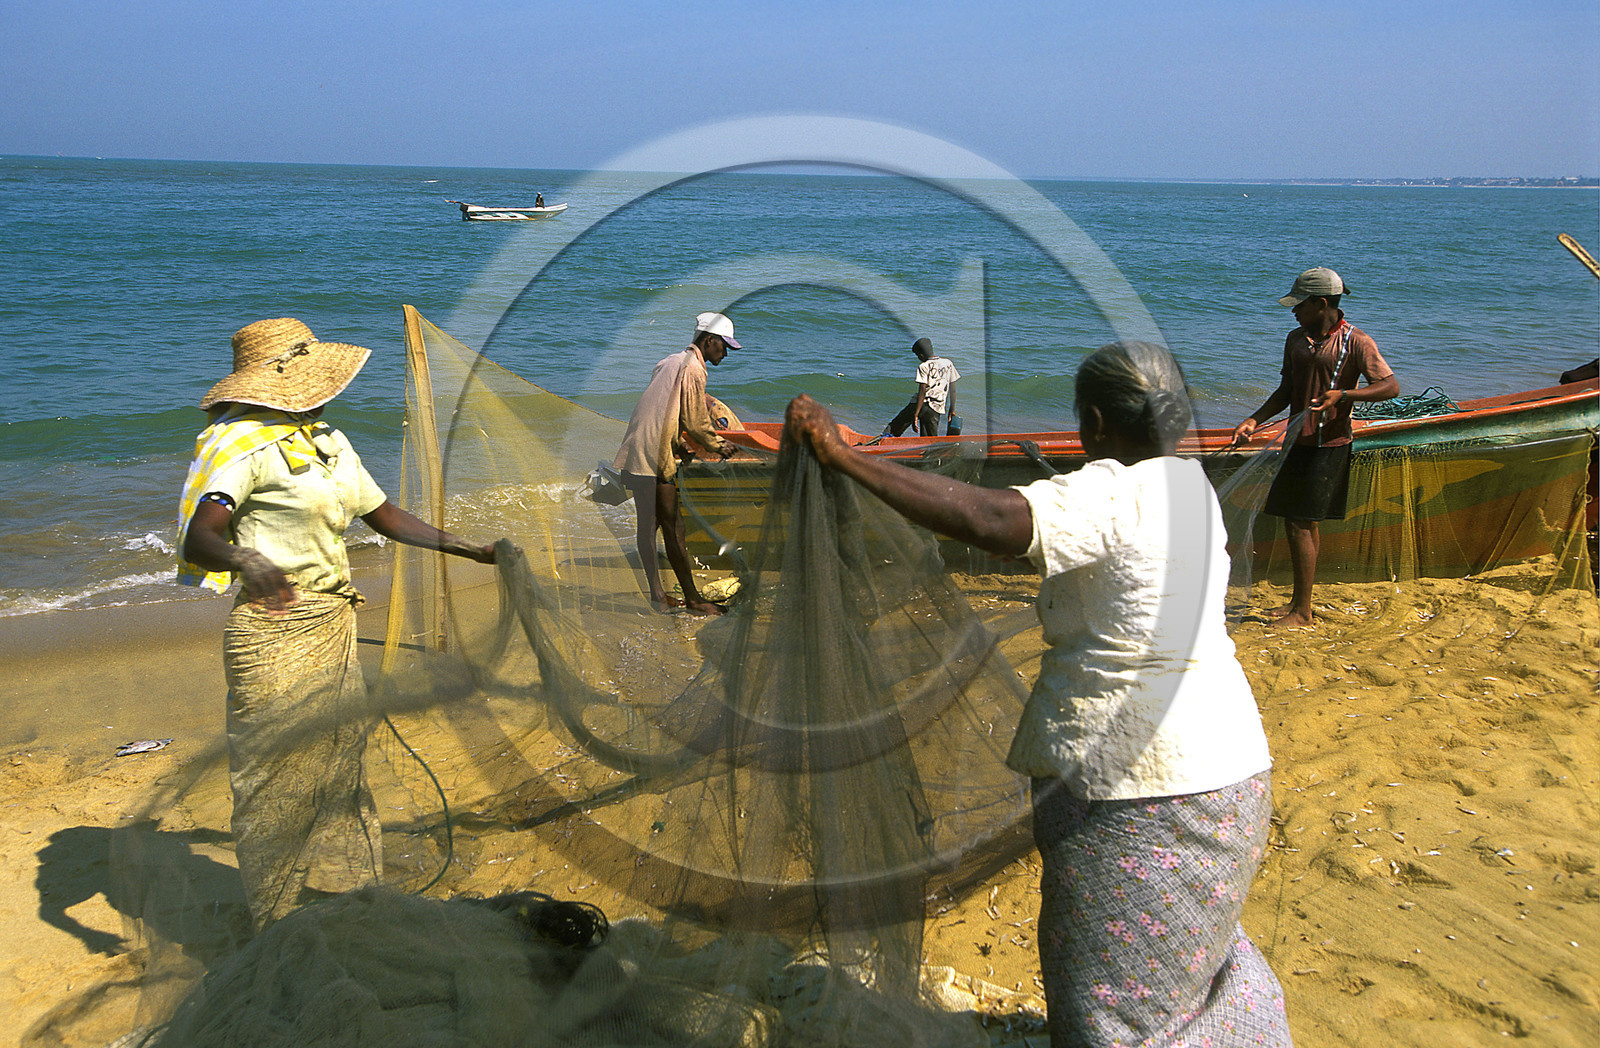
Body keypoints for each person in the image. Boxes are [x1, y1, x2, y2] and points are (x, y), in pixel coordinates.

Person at [786, 341, 1291, 1048]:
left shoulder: (1111, 490)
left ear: (1091, 421)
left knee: (1112, 1004)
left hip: (1139, 791)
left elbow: (995, 522)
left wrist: (845, 456)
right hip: (1230, 773)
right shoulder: (1190, 486)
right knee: (1188, 976)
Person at [178, 317, 499, 929]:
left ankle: (357, 902)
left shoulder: (327, 441)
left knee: (339, 764)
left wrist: (471, 548)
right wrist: (247, 557)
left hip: (331, 623)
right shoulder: (236, 445)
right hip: (272, 634)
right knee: (272, 776)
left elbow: (383, 516)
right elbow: (201, 536)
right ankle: (271, 919)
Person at [1231, 267, 1398, 628]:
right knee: (1297, 523)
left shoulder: (1356, 342)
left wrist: (1345, 395)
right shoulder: (1295, 339)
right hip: (1297, 441)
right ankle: (1297, 603)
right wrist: (1254, 420)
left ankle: (1302, 611)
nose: (1294, 312)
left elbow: (1389, 387)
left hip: (1328, 443)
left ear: (1323, 305)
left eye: (1300, 306)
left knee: (1302, 524)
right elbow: (1287, 391)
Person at [612, 311, 741, 615]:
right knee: (674, 528)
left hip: (636, 448)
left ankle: (657, 596)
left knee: (648, 527)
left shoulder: (668, 361)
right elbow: (696, 422)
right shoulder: (696, 369)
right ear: (709, 341)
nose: (725, 354)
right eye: (723, 346)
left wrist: (679, 443)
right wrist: (719, 445)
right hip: (654, 456)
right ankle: (695, 600)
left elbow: (663, 409)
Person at [882, 337, 960, 437]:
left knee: (895, 427)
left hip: (919, 405)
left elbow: (922, 391)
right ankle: (927, 451)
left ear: (921, 355)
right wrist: (952, 410)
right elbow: (953, 390)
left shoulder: (924, 366)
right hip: (936, 408)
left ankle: (881, 443)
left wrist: (916, 415)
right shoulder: (948, 363)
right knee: (929, 438)